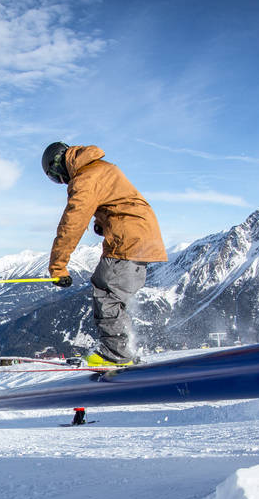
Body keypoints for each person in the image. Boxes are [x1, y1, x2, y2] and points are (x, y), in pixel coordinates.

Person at [41, 142, 166, 366]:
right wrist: (102, 222)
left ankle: (116, 353)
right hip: (144, 239)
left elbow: (72, 223)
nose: (62, 182)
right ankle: (123, 350)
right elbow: (118, 200)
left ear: (59, 164)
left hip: (127, 241)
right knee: (114, 296)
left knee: (105, 292)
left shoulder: (85, 178)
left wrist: (58, 266)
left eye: (56, 177)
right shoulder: (101, 167)